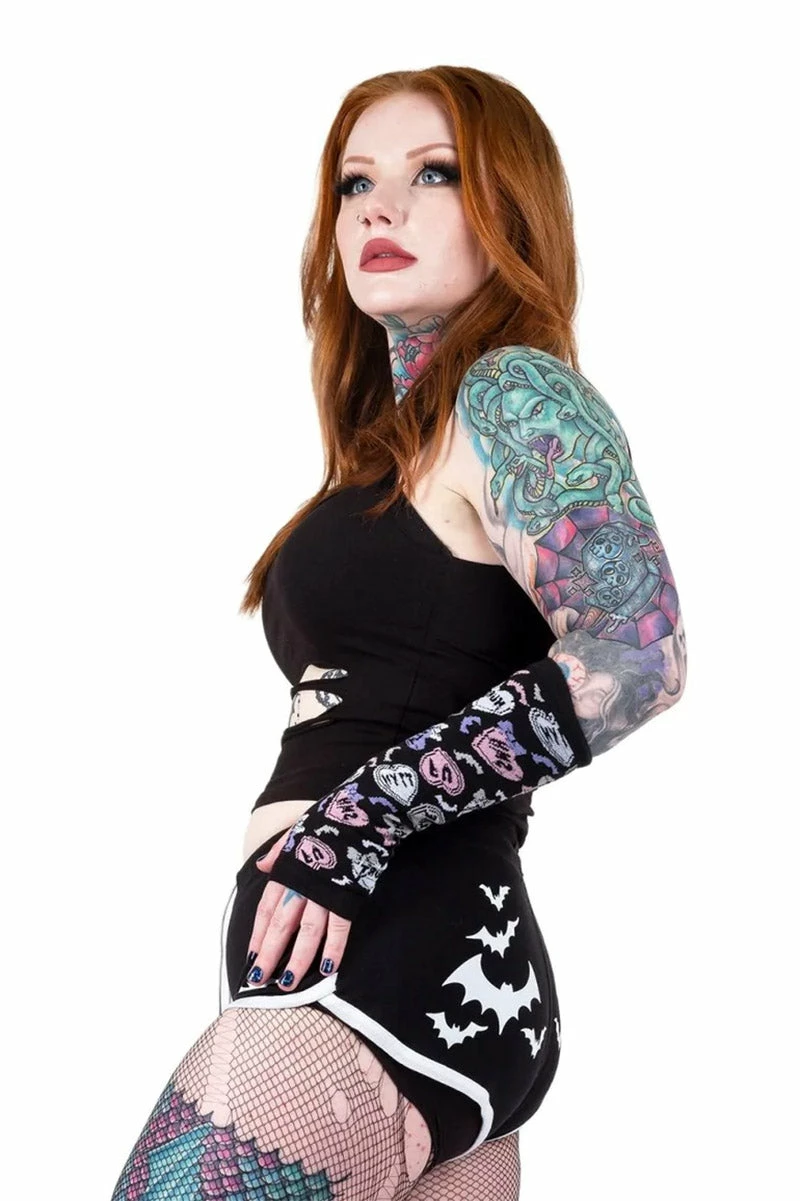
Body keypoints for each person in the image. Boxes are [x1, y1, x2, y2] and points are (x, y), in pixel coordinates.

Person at [110, 65, 687, 1201]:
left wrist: (355, 822)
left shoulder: (513, 394)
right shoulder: (396, 446)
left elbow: (637, 653)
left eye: (434, 173)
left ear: (510, 209)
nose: (380, 206)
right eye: (354, 182)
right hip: (424, 984)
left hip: (383, 968)